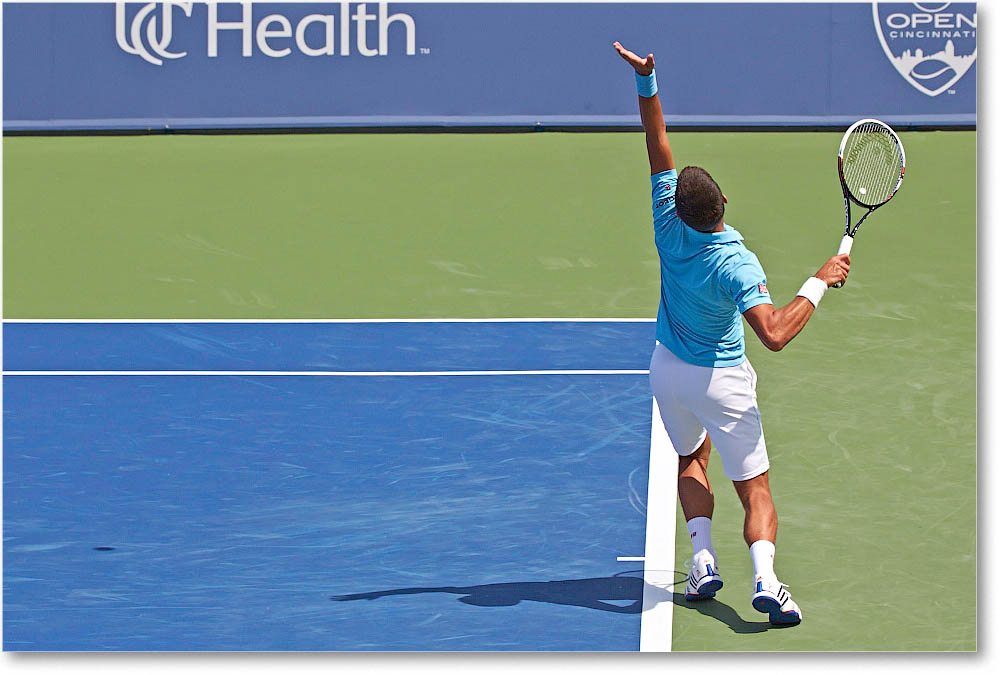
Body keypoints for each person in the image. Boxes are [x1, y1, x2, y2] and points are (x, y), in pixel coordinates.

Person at [613, 41, 851, 626]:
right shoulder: (737, 262)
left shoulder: (667, 223)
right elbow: (773, 333)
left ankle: (702, 562)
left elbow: (656, 148)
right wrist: (818, 281)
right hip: (723, 380)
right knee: (756, 488)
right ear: (723, 201)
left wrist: (648, 81)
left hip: (668, 372)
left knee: (691, 460)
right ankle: (766, 581)